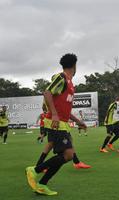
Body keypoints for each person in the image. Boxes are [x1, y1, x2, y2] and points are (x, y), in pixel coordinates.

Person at [25, 53, 90, 196]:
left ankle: (42, 185)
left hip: (63, 123)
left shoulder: (71, 84)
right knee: (68, 154)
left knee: (66, 155)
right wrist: (54, 114)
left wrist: (78, 121)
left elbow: (65, 109)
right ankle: (34, 170)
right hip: (56, 122)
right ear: (74, 65)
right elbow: (47, 92)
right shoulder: (61, 78)